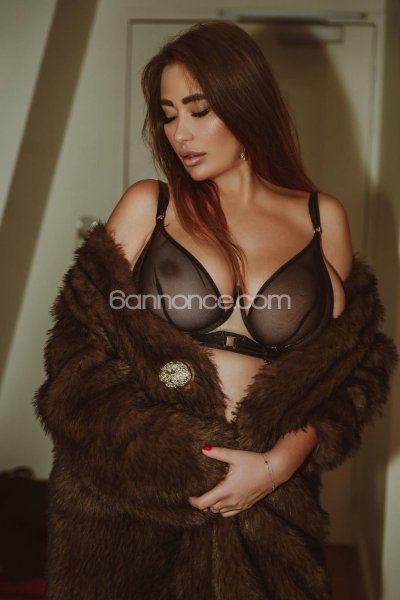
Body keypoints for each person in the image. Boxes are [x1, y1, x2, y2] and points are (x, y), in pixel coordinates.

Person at [33, 21, 397, 600]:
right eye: (168, 115)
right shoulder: (150, 206)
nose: (180, 133)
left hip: (268, 515)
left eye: (199, 111)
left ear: (246, 104)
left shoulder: (321, 219)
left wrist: (274, 468)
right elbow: (76, 362)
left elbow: (348, 377)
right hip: (134, 505)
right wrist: (185, 463)